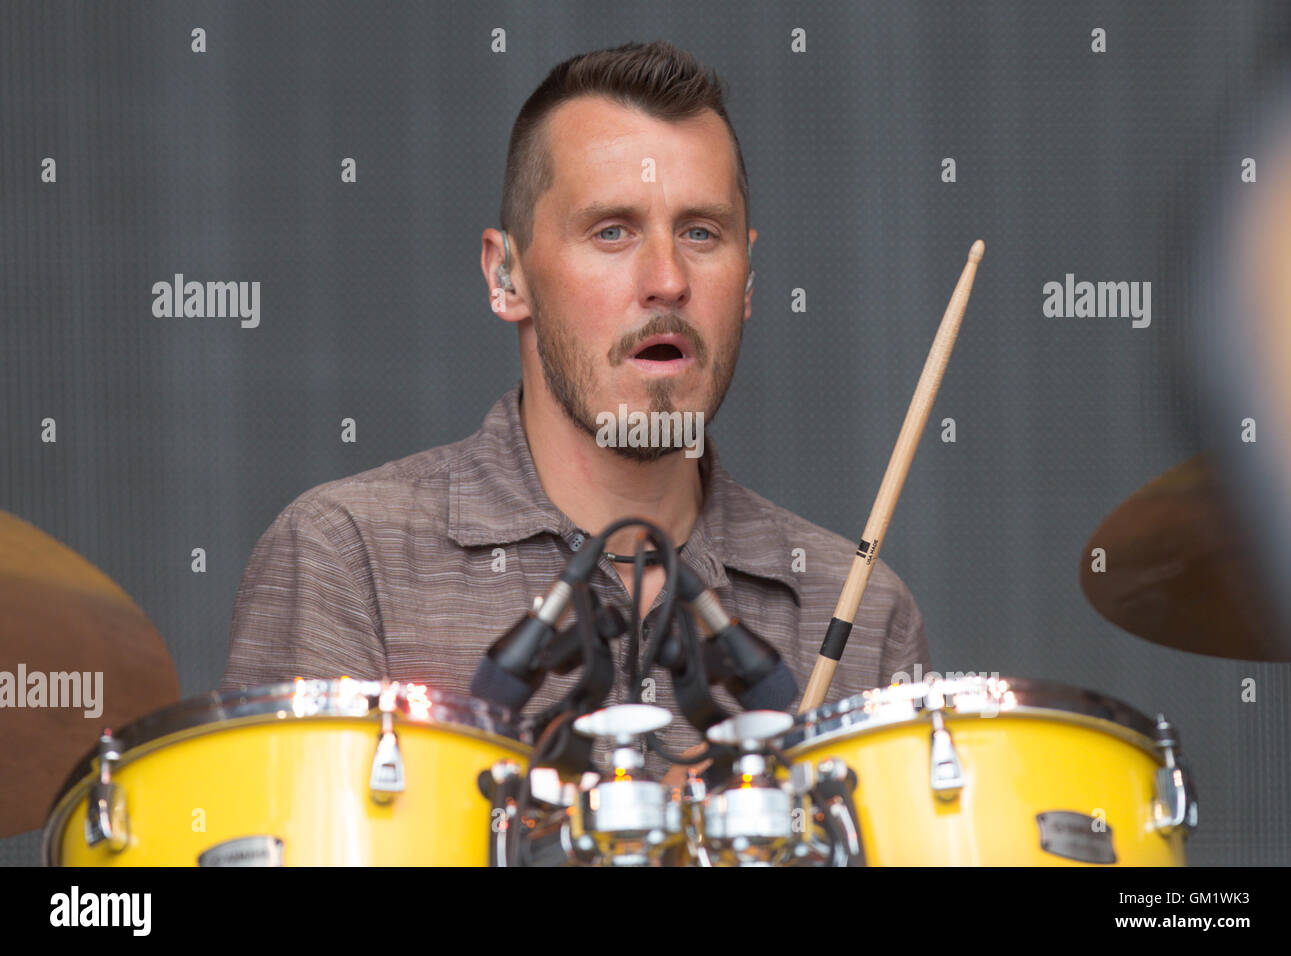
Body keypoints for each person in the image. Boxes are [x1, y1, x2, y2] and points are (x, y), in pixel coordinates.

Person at [221, 41, 929, 776]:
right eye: (612, 231)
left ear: (748, 281)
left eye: (700, 233)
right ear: (507, 276)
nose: (667, 280)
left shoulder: (859, 605)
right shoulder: (349, 558)